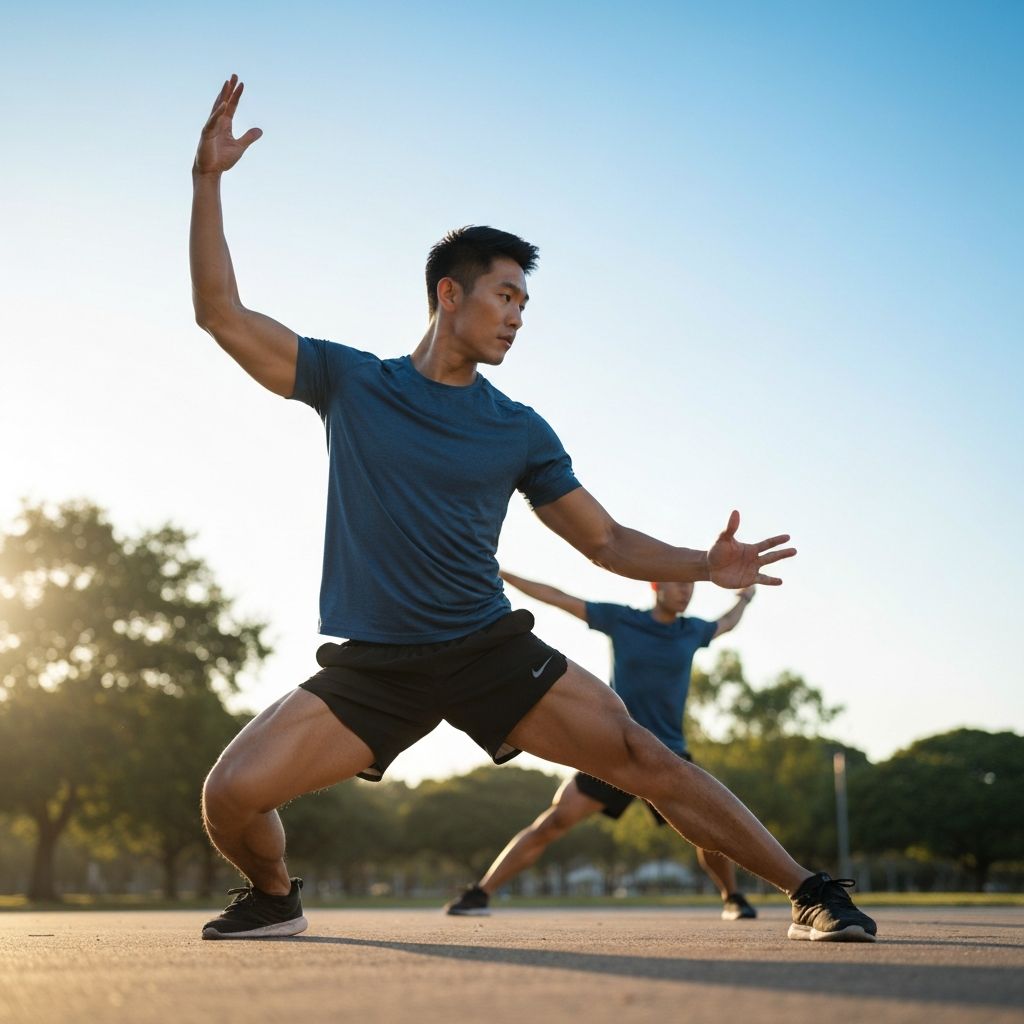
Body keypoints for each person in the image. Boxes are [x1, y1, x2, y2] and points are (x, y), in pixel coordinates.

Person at [190, 75, 877, 944]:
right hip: (377, 665)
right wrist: (207, 181)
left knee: (646, 757)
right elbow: (220, 313)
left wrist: (703, 566)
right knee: (229, 796)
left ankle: (811, 891)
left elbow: (606, 540)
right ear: (450, 294)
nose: (517, 317)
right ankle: (274, 896)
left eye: (524, 303)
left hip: (486, 649)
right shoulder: (351, 383)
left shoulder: (517, 429)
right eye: (505, 296)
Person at [446, 575, 760, 920]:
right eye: (678, 583)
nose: (686, 591)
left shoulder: (693, 630)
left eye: (691, 585)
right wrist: (499, 574)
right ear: (656, 586)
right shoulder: (622, 619)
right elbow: (558, 595)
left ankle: (732, 896)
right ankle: (481, 893)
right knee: (554, 821)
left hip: (667, 754)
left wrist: (745, 598)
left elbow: (727, 622)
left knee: (707, 829)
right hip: (614, 749)